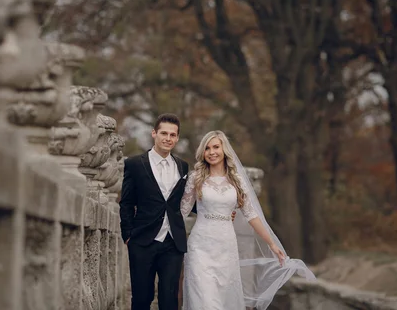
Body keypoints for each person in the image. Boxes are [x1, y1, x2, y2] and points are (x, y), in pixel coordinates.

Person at [180, 130, 316, 310]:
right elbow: (181, 211)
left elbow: (252, 215)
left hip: (226, 248)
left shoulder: (236, 182)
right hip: (200, 247)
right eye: (207, 148)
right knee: (204, 300)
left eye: (216, 147)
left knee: (222, 300)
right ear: (202, 153)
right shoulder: (195, 178)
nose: (212, 152)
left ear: (224, 149)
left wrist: (272, 244)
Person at [119, 113, 190, 310]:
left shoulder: (182, 166)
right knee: (142, 299)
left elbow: (184, 200)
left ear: (177, 138)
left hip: (173, 243)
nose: (168, 138)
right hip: (142, 242)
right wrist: (127, 235)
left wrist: (218, 209)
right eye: (164, 133)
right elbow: (126, 202)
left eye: (173, 135)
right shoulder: (134, 164)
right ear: (154, 133)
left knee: (169, 301)